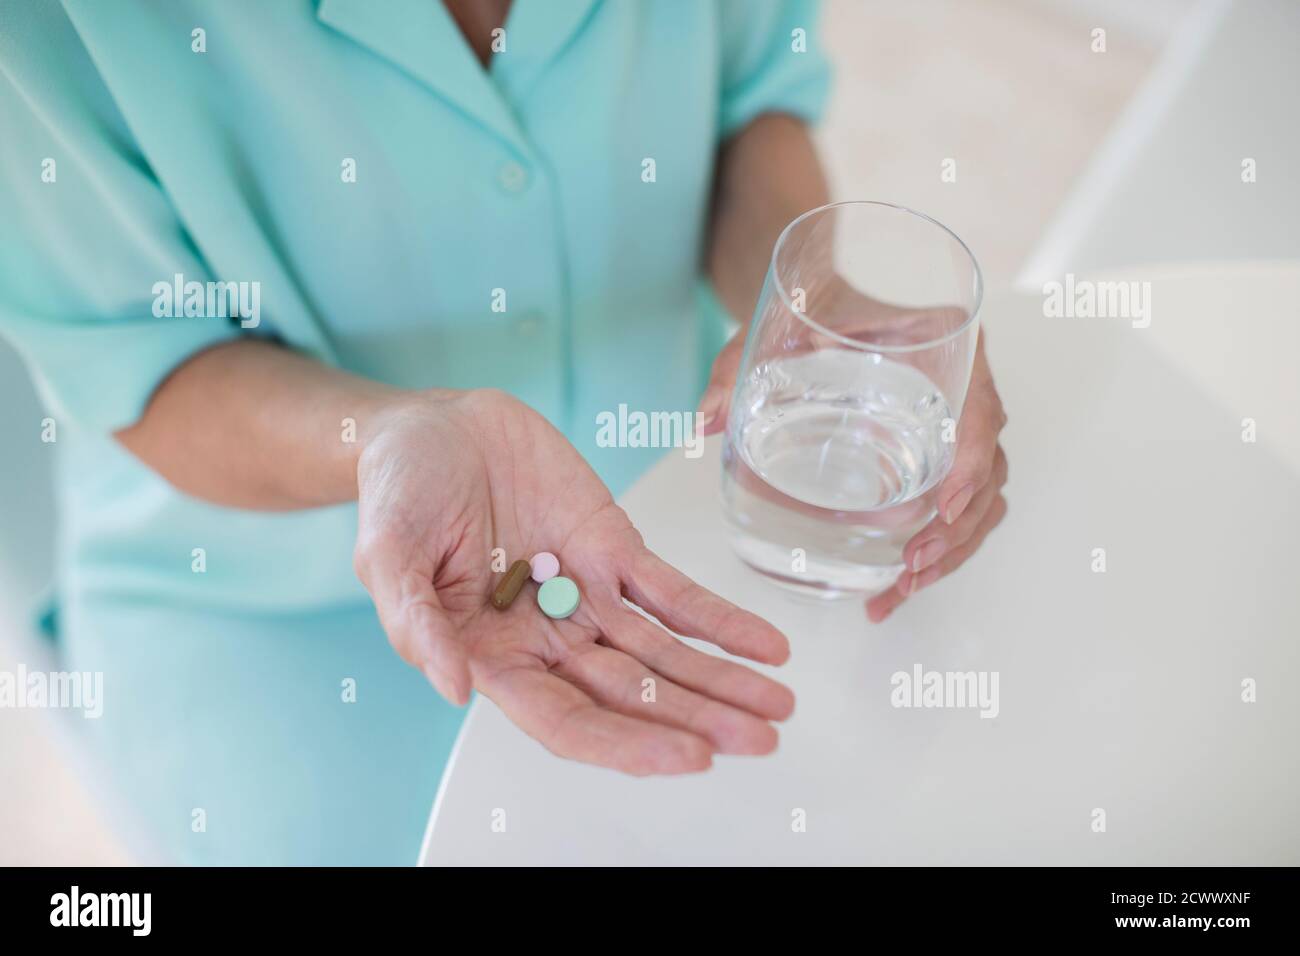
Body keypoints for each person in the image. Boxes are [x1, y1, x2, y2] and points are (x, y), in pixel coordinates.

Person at [0, 0, 1007, 865]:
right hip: (268, 589)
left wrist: (810, 312)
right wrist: (392, 432)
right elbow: (146, 359)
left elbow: (750, 98)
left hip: (666, 485)